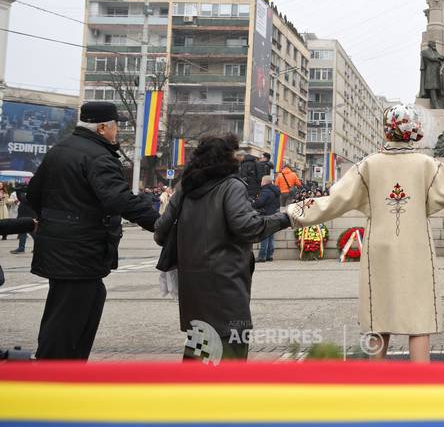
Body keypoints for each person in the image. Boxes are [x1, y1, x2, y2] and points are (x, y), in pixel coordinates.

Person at [289, 105, 444, 363]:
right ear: (415, 130)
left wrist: (293, 213)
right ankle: (420, 390)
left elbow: (334, 201)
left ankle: (374, 386)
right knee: (419, 322)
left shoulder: (368, 166)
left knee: (379, 318)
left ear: (387, 130)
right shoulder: (428, 165)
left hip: (379, 250)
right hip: (416, 249)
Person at [27, 102, 160, 359]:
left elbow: (33, 194)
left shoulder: (59, 150)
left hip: (60, 248)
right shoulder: (97, 156)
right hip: (80, 250)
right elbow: (119, 200)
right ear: (101, 128)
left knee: (76, 306)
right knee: (69, 321)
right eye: (115, 127)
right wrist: (161, 224)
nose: (116, 133)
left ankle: (62, 371)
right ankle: (53, 379)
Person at [155, 134, 291, 361]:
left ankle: (193, 395)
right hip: (225, 284)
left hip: (193, 286)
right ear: (226, 157)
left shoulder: (185, 189)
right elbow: (248, 227)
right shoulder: (231, 186)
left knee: (199, 354)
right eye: (234, 153)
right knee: (231, 354)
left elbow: (160, 232)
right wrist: (286, 218)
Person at [253, 175, 281, 263]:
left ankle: (262, 256)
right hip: (274, 215)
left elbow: (259, 203)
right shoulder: (275, 191)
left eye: (262, 181)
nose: (261, 182)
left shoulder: (265, 191)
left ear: (264, 182)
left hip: (266, 215)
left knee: (264, 235)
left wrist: (253, 202)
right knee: (271, 236)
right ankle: (270, 255)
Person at [10, 185, 35, 254]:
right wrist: (19, 191)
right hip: (24, 215)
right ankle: (21, 248)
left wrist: (19, 191)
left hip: (28, 216)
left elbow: (23, 199)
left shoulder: (31, 194)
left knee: (32, 232)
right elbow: (21, 199)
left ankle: (37, 247)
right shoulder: (25, 194)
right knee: (23, 232)